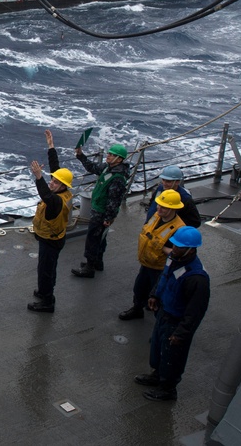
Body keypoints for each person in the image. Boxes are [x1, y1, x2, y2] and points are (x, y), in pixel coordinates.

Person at [136, 226, 210, 401]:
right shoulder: (172, 259)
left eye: (179, 247)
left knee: (173, 357)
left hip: (176, 321)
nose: (174, 248)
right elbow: (164, 277)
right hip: (164, 313)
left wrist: (181, 334)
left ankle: (168, 389)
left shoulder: (197, 278)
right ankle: (157, 375)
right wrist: (155, 294)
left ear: (190, 250)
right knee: (157, 349)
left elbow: (196, 311)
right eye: (174, 245)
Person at [118, 189, 186, 320]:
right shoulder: (156, 215)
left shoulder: (179, 229)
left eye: (164, 207)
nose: (159, 208)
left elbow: (177, 253)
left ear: (173, 209)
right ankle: (137, 309)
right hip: (146, 262)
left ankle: (159, 321)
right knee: (139, 288)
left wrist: (161, 248)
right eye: (159, 205)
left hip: (160, 268)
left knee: (158, 295)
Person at [27, 130, 74, 313]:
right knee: (46, 268)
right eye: (52, 180)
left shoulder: (55, 201)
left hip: (50, 240)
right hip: (52, 237)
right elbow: (56, 169)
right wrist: (51, 146)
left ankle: (47, 301)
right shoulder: (63, 191)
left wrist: (39, 177)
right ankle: (44, 292)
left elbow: (45, 194)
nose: (52, 182)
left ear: (62, 186)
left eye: (55, 182)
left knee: (46, 271)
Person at [72, 143, 130, 278]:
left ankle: (89, 267)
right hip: (99, 209)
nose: (108, 156)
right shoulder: (107, 169)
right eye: (109, 153)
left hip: (102, 213)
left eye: (112, 155)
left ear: (119, 159)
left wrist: (108, 218)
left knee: (93, 238)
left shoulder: (118, 177)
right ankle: (97, 262)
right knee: (100, 238)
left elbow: (113, 200)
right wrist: (80, 155)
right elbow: (92, 167)